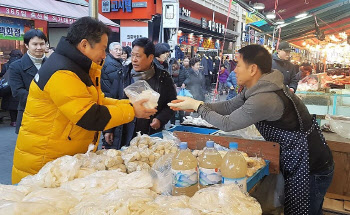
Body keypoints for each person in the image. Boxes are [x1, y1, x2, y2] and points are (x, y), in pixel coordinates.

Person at [169, 44, 334, 215]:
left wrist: (198, 107)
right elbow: (229, 106)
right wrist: (197, 105)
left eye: (239, 65)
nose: (235, 71)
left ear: (253, 69)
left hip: (311, 166)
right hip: (298, 161)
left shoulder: (265, 97)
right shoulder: (258, 87)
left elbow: (227, 123)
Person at [11, 17, 157, 184]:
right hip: (45, 165)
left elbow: (97, 101)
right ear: (84, 45)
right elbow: (89, 115)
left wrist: (131, 104)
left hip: (60, 160)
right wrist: (132, 111)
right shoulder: (63, 72)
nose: (104, 55)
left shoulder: (75, 66)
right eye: (102, 49)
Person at [103, 37, 177, 149]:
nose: (134, 59)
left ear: (150, 57)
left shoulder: (163, 77)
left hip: (149, 135)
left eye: (138, 56)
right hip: (124, 132)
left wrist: (160, 119)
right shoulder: (122, 74)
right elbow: (113, 101)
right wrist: (108, 129)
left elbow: (171, 103)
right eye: (132, 55)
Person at [8, 29, 47, 134]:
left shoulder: (53, 64)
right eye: (35, 44)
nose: (39, 47)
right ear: (26, 45)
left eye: (42, 44)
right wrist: (44, 99)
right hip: (28, 113)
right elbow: (17, 92)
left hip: (51, 115)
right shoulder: (16, 66)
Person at [0, 50, 22, 127]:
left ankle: (13, 121)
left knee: (11, 106)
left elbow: (2, 74)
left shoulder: (6, 65)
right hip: (19, 86)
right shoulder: (22, 63)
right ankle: (20, 121)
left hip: (8, 88)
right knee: (20, 104)